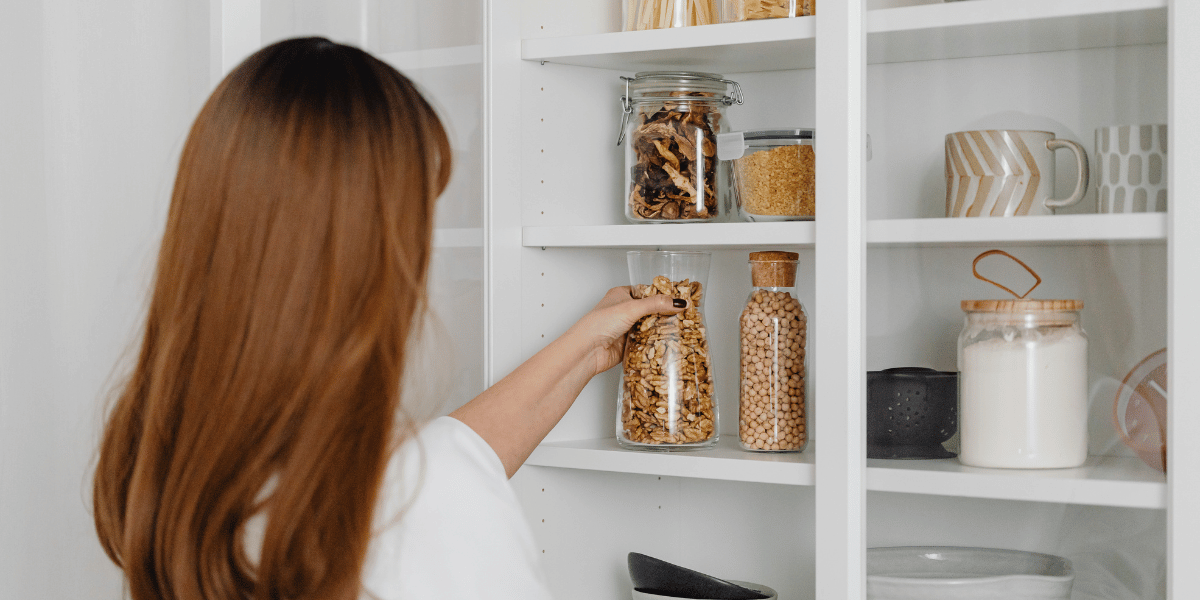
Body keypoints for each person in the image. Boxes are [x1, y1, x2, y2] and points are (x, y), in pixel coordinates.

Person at [91, 37, 685, 600]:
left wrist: (584, 349)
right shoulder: (427, 501)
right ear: (369, 251)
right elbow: (422, 488)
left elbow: (432, 462)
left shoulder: (168, 468)